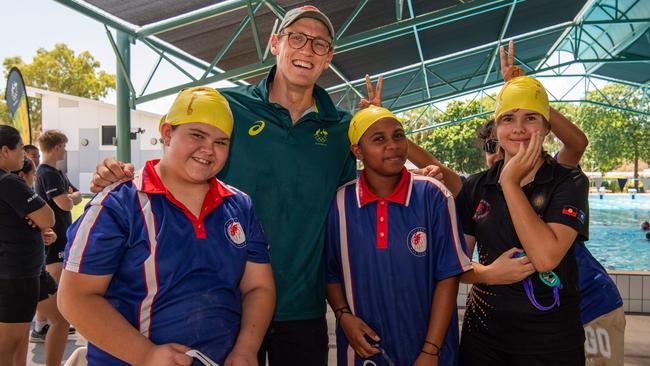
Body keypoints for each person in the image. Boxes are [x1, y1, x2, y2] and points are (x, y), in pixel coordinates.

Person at [91, 6, 356, 365]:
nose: (306, 50)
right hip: (224, 305)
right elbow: (183, 158)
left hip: (302, 305)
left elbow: (352, 206)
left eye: (319, 44)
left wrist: (413, 170)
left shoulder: (341, 128)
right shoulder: (230, 107)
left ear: (329, 58)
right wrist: (121, 175)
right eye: (297, 38)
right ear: (275, 44)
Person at [57, 87, 276, 365]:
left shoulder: (239, 205)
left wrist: (246, 349)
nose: (208, 149)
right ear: (167, 133)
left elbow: (259, 287)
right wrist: (146, 355)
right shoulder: (119, 205)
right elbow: (75, 297)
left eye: (221, 142)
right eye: (197, 135)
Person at [455, 74, 588, 365]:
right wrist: (488, 273)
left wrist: (511, 183)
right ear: (497, 127)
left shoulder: (568, 182)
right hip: (483, 341)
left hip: (551, 343)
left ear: (546, 127)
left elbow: (545, 258)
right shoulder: (475, 187)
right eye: (507, 119)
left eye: (530, 118)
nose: (518, 129)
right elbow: (453, 264)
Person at [325, 105, 471, 366]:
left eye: (398, 135)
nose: (392, 145)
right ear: (357, 151)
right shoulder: (340, 203)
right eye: (378, 139)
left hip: (430, 352)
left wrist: (430, 350)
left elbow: (448, 276)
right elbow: (331, 272)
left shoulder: (433, 195)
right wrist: (344, 315)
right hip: (365, 352)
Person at [0, 125, 55, 366]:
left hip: (23, 270)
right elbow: (48, 218)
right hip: (16, 273)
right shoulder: (9, 182)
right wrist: (38, 223)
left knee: (19, 338)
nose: (24, 154)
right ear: (4, 151)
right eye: (21, 148)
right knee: (8, 345)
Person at [12, 157, 70, 366]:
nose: (34, 180)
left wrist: (47, 236)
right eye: (32, 175)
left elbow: (45, 226)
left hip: (34, 272)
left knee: (56, 320)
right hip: (18, 275)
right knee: (16, 337)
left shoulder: (20, 198)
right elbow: (49, 218)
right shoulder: (12, 190)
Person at [33, 130, 81, 342]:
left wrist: (71, 196)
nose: (65, 150)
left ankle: (44, 323)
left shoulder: (57, 172)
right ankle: (41, 325)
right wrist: (71, 197)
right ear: (56, 147)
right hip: (55, 234)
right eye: (63, 145)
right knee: (53, 280)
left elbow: (75, 195)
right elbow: (66, 202)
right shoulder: (47, 173)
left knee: (55, 279)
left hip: (62, 232)